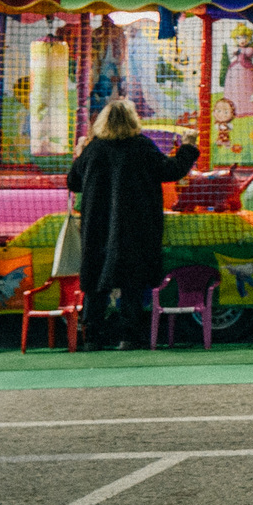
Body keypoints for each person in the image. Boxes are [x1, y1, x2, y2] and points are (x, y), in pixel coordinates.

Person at [62, 100, 198, 351]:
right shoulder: (142, 147)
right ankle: (129, 336)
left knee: (96, 281)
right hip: (137, 226)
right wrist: (188, 147)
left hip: (98, 227)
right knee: (132, 282)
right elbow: (172, 171)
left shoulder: (95, 149)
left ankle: (92, 336)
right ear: (133, 120)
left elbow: (74, 182)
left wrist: (80, 153)